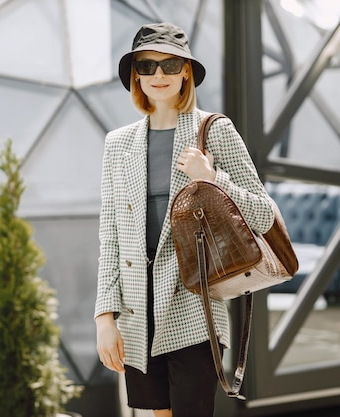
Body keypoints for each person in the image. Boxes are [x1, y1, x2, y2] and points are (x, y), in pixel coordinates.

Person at [94, 22, 275, 417]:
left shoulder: (214, 131)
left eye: (170, 64)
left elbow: (262, 214)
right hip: (138, 312)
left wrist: (211, 177)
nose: (159, 75)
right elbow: (110, 235)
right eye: (147, 65)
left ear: (186, 71)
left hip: (194, 305)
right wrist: (104, 317)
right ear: (136, 75)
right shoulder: (117, 144)